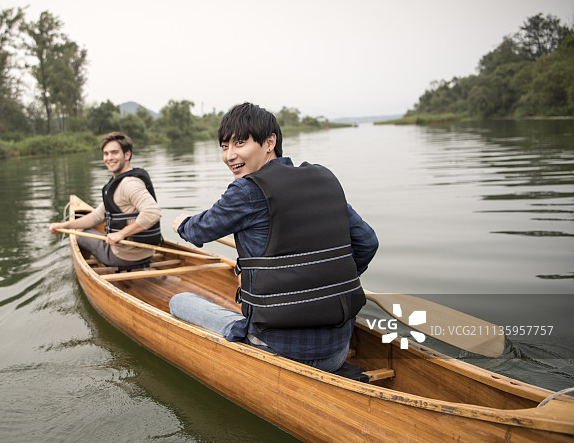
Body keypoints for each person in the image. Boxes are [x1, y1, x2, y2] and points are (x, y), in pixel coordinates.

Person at [170, 103, 378, 372]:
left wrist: (182, 224)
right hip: (337, 351)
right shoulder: (323, 179)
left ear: (270, 142)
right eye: (224, 146)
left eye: (240, 143)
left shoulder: (247, 190)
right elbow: (367, 242)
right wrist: (326, 280)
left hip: (280, 349)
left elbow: (200, 230)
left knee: (179, 301)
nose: (230, 155)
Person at [49, 131, 162, 267]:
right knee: (83, 227)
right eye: (106, 154)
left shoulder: (129, 184)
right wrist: (63, 226)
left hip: (122, 256)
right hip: (147, 254)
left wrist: (121, 234)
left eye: (114, 153)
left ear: (127, 155)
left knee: (78, 232)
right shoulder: (119, 184)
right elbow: (96, 217)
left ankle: (89, 264)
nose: (109, 158)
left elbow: (153, 212)